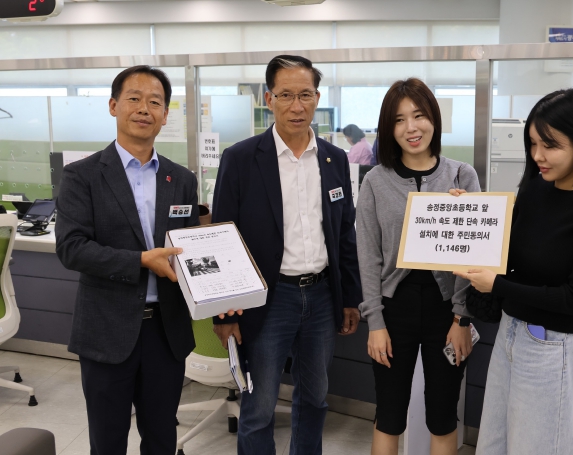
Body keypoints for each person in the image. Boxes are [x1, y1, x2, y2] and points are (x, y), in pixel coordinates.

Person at [55, 66, 240, 455]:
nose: (144, 108)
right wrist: (140, 260)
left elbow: (191, 250)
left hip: (165, 333)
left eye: (155, 102)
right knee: (108, 441)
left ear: (165, 114)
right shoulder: (81, 176)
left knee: (161, 438)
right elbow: (72, 248)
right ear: (113, 106)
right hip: (107, 331)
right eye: (134, 98)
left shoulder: (181, 179)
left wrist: (224, 293)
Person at [454, 89, 573, 455]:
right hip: (510, 332)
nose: (538, 156)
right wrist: (471, 214)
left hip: (552, 347)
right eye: (532, 143)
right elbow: (509, 251)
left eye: (550, 145)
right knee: (492, 446)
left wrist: (498, 286)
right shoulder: (535, 188)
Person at [211, 55, 362, 455]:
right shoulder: (241, 158)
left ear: (317, 98)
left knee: (314, 398)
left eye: (306, 95)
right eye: (286, 95)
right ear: (269, 99)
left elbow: (344, 234)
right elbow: (222, 240)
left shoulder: (334, 159)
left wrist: (349, 298)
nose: (297, 106)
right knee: (259, 407)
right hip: (268, 299)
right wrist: (224, 315)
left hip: (322, 296)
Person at [357, 78, 479, 455]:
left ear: (434, 120)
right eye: (399, 120)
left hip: (446, 311)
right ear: (388, 129)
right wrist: (375, 323)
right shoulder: (375, 181)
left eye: (419, 116)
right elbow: (368, 256)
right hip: (394, 309)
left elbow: (474, 256)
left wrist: (461, 319)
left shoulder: (461, 175)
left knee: (442, 415)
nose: (411, 128)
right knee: (389, 414)